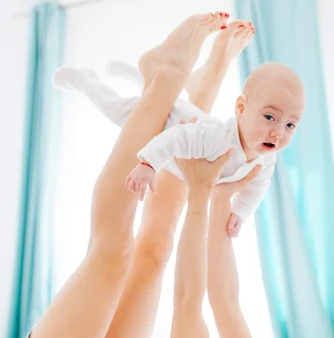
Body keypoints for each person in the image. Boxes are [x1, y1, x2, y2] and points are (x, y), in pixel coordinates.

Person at [4, 13, 334, 338]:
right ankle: (204, 74)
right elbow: (225, 300)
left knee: (114, 251)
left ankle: (164, 78)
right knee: (156, 248)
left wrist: (201, 197)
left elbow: (189, 303)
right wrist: (221, 198)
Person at [53, 20, 306, 237]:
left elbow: (257, 188)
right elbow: (175, 137)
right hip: (166, 121)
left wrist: (240, 212)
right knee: (117, 110)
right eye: (270, 117)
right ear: (241, 107)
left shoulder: (267, 158)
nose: (278, 132)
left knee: (153, 94)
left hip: (179, 120)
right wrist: (148, 164)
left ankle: (138, 75)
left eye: (290, 124)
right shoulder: (217, 139)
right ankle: (86, 81)